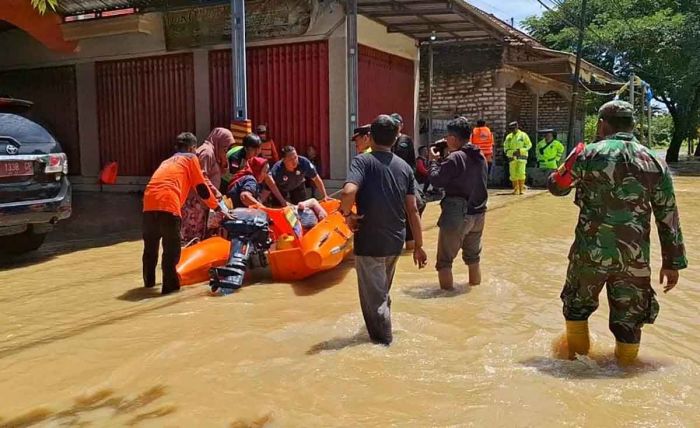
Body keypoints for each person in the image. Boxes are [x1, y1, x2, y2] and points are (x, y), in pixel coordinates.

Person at [548, 100, 687, 366]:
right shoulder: (654, 162)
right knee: (630, 321)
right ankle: (625, 373)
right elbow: (668, 215)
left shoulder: (587, 155)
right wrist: (672, 262)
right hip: (633, 259)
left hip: (589, 255)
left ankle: (577, 367)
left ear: (602, 125)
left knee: (576, 310)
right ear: (632, 125)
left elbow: (558, 187)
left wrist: (568, 163)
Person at [339, 114, 427, 345]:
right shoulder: (405, 167)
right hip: (395, 242)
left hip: (370, 242)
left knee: (374, 300)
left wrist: (347, 216)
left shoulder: (363, 162)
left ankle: (383, 346)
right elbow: (413, 210)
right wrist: (419, 245)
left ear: (370, 137)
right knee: (382, 293)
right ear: (395, 138)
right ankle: (383, 332)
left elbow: (347, 193)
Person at [142, 132, 222, 295]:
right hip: (169, 205)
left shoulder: (166, 161)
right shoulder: (191, 159)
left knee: (150, 249)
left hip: (148, 205)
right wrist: (218, 207)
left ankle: (148, 285)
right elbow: (201, 188)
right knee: (171, 251)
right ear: (192, 148)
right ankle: (169, 292)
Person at [428, 117, 488, 290]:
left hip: (457, 214)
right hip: (478, 215)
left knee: (444, 262)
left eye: (448, 137)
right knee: (473, 258)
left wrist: (433, 160)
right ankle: (475, 289)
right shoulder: (480, 155)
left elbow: (436, 179)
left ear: (453, 139)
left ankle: (446, 298)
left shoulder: (455, 158)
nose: (446, 140)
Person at [180, 128, 231, 244]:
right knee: (193, 237)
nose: (225, 150)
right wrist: (216, 193)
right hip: (195, 202)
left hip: (205, 201)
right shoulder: (207, 152)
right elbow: (201, 177)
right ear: (218, 141)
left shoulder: (215, 153)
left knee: (201, 236)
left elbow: (223, 173)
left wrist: (224, 159)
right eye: (224, 147)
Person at [504, 121, 532, 195]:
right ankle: (516, 189)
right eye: (511, 129)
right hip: (512, 158)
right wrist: (512, 152)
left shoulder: (523, 135)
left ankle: (521, 189)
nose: (512, 130)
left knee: (521, 173)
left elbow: (529, 145)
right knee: (513, 174)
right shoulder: (508, 137)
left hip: (521, 157)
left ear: (517, 127)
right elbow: (505, 148)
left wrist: (521, 151)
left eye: (514, 128)